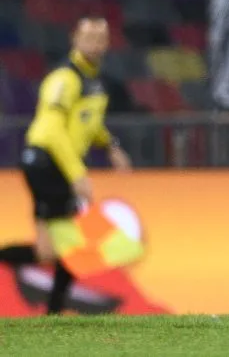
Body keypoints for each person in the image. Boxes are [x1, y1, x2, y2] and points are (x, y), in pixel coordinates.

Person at [0, 17, 132, 314]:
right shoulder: (64, 79)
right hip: (46, 163)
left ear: (108, 43)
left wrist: (111, 147)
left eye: (101, 37)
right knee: (74, 245)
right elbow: (52, 130)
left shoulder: (95, 83)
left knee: (46, 251)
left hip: (50, 166)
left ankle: (54, 312)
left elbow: (90, 125)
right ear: (74, 37)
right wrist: (76, 175)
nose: (95, 43)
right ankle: (55, 313)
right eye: (89, 36)